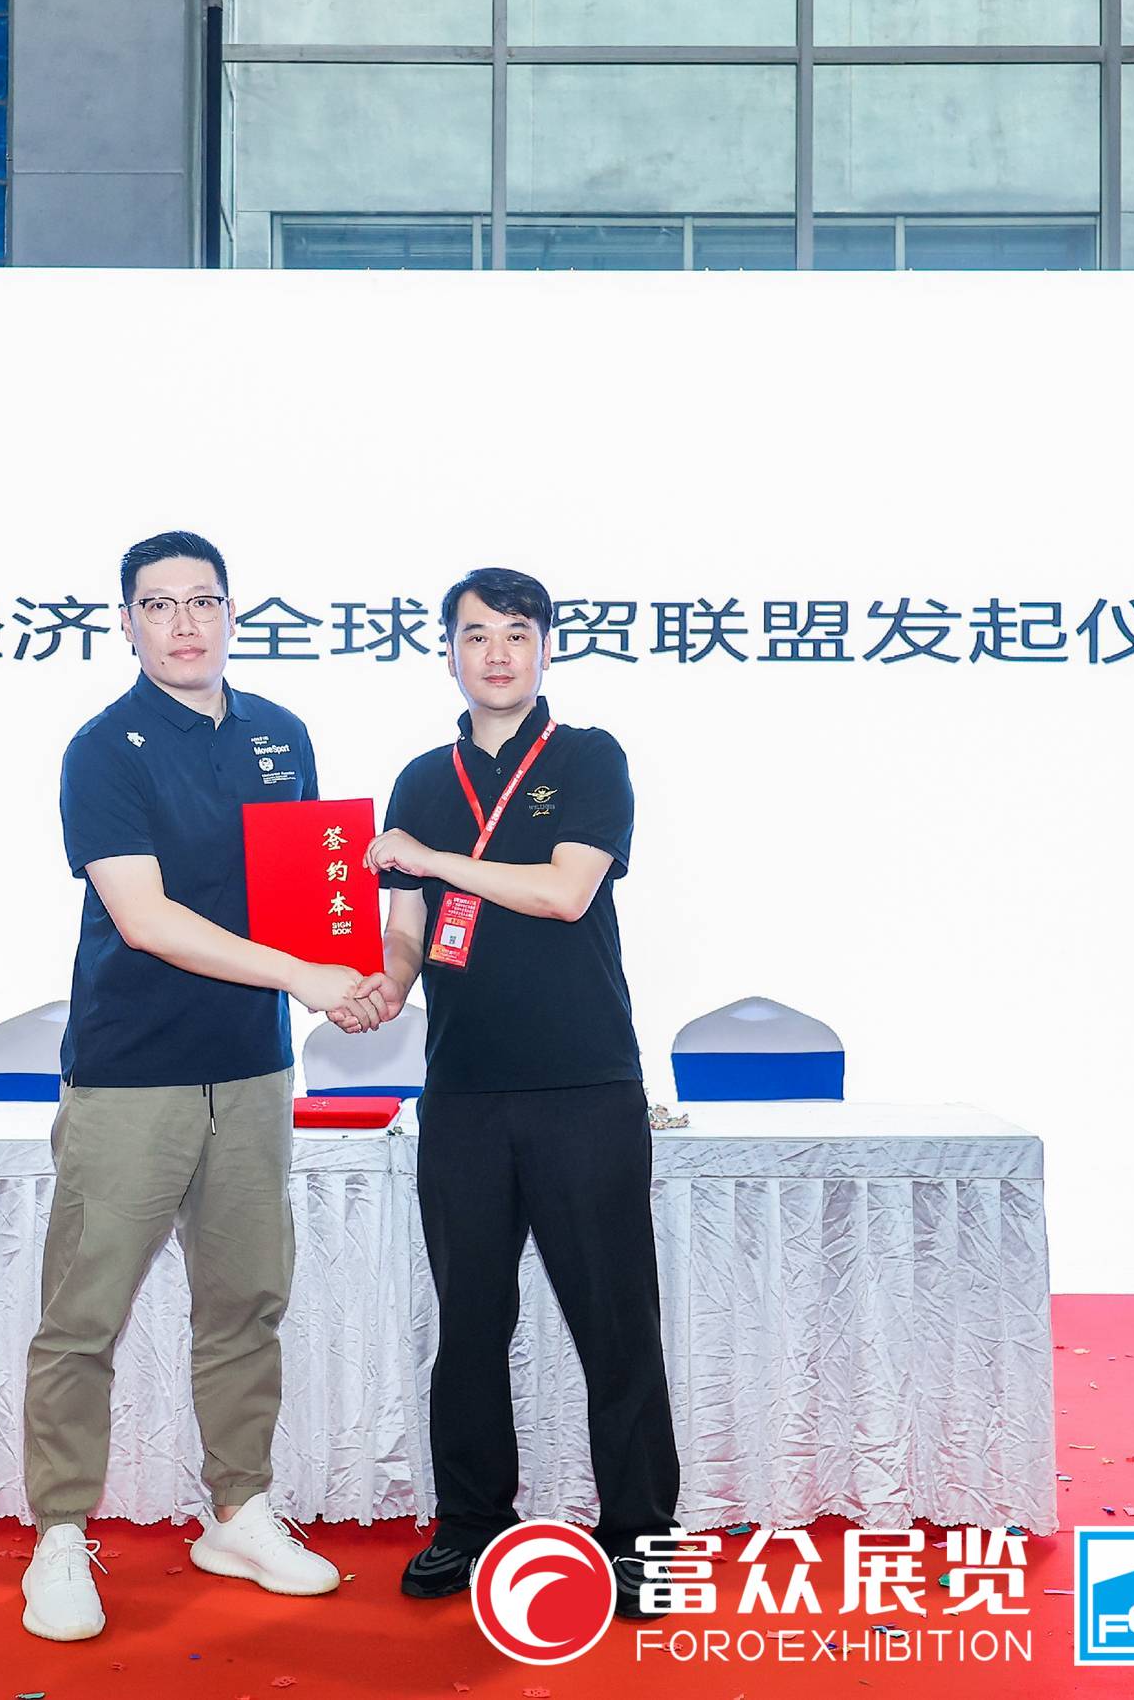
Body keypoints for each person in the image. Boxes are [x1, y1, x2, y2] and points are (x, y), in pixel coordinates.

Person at [17, 531, 385, 1642]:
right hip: (133, 1072)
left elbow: (303, 894)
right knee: (83, 1315)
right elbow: (146, 918)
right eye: (158, 604)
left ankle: (239, 1510)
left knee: (245, 1301)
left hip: (254, 1068)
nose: (184, 623)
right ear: (126, 622)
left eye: (203, 601)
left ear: (232, 613)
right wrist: (308, 978)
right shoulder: (104, 749)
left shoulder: (282, 733)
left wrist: (352, 969)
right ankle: (58, 1532)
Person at [359, 566, 680, 1618]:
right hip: (461, 1090)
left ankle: (641, 1537)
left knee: (614, 1322)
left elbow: (564, 890)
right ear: (447, 651)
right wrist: (379, 987)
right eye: (474, 634)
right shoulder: (421, 778)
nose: (495, 652)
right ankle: (468, 1521)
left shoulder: (587, 757)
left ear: (546, 647)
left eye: (516, 632)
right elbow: (407, 927)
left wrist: (432, 858)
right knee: (468, 1321)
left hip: (583, 1083)